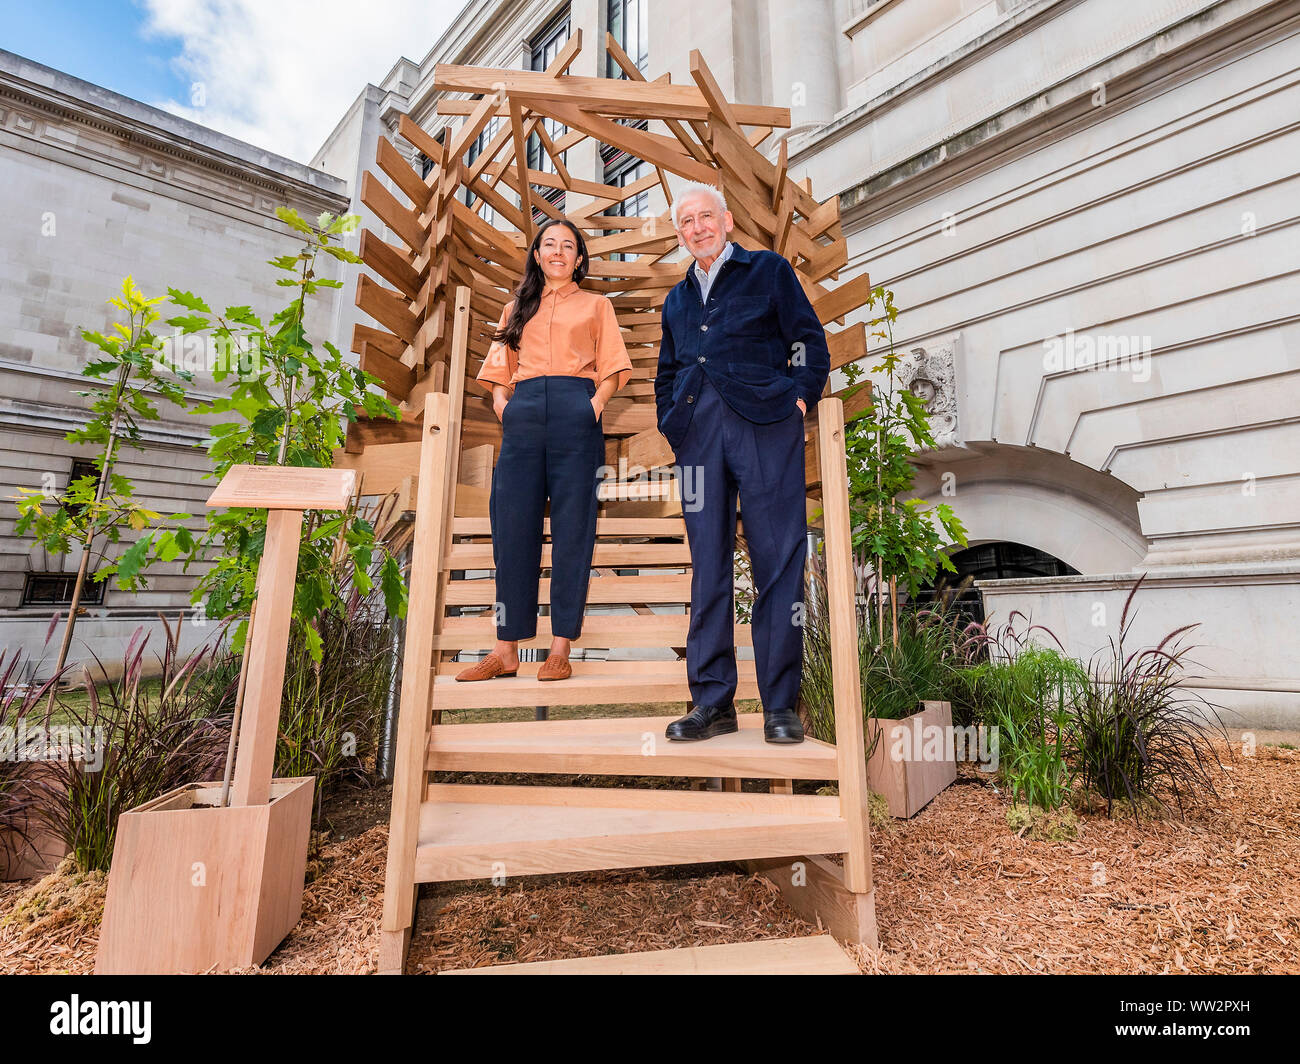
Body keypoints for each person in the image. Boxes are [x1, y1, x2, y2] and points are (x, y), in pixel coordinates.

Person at [654, 183, 829, 743]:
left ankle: (780, 705)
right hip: (698, 436)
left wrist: (798, 396)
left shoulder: (769, 271)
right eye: (686, 221)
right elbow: (666, 370)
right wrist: (671, 420)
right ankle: (712, 703)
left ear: (727, 220)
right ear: (679, 233)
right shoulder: (676, 299)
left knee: (778, 560)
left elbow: (808, 342)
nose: (697, 227)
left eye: (706, 216)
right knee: (708, 565)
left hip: (765, 427)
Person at [456, 218, 632, 683]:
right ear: (537, 254)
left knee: (574, 529)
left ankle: (560, 646)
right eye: (549, 244)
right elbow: (498, 368)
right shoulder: (515, 309)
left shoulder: (597, 305)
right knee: (511, 528)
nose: (558, 252)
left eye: (567, 246)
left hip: (577, 411)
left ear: (578, 258)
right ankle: (505, 647)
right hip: (525, 413)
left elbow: (614, 366)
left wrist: (593, 405)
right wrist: (503, 406)